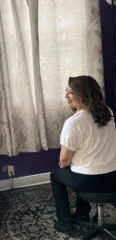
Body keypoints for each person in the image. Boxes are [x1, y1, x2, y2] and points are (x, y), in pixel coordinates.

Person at [50, 75, 116, 232]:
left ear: (84, 95)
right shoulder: (107, 112)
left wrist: (64, 164)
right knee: (77, 167)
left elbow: (64, 159)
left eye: (70, 92)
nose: (66, 96)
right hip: (113, 176)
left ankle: (65, 222)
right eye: (66, 91)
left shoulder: (73, 123)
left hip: (89, 180)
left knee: (56, 174)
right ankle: (82, 213)